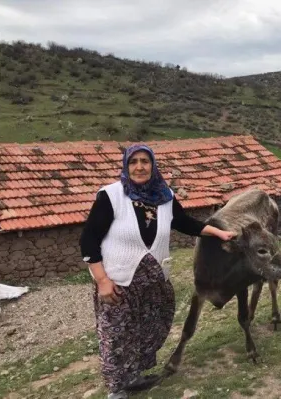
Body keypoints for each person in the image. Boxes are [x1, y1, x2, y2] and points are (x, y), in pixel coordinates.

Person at [79, 144, 236, 399]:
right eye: (134, 162)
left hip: (155, 281)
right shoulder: (111, 196)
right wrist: (102, 280)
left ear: (153, 165)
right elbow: (88, 240)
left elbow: (184, 223)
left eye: (145, 161)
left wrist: (218, 232)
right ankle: (117, 389)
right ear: (126, 165)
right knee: (117, 335)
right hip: (119, 281)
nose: (139, 166)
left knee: (150, 326)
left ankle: (136, 376)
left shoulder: (164, 196)